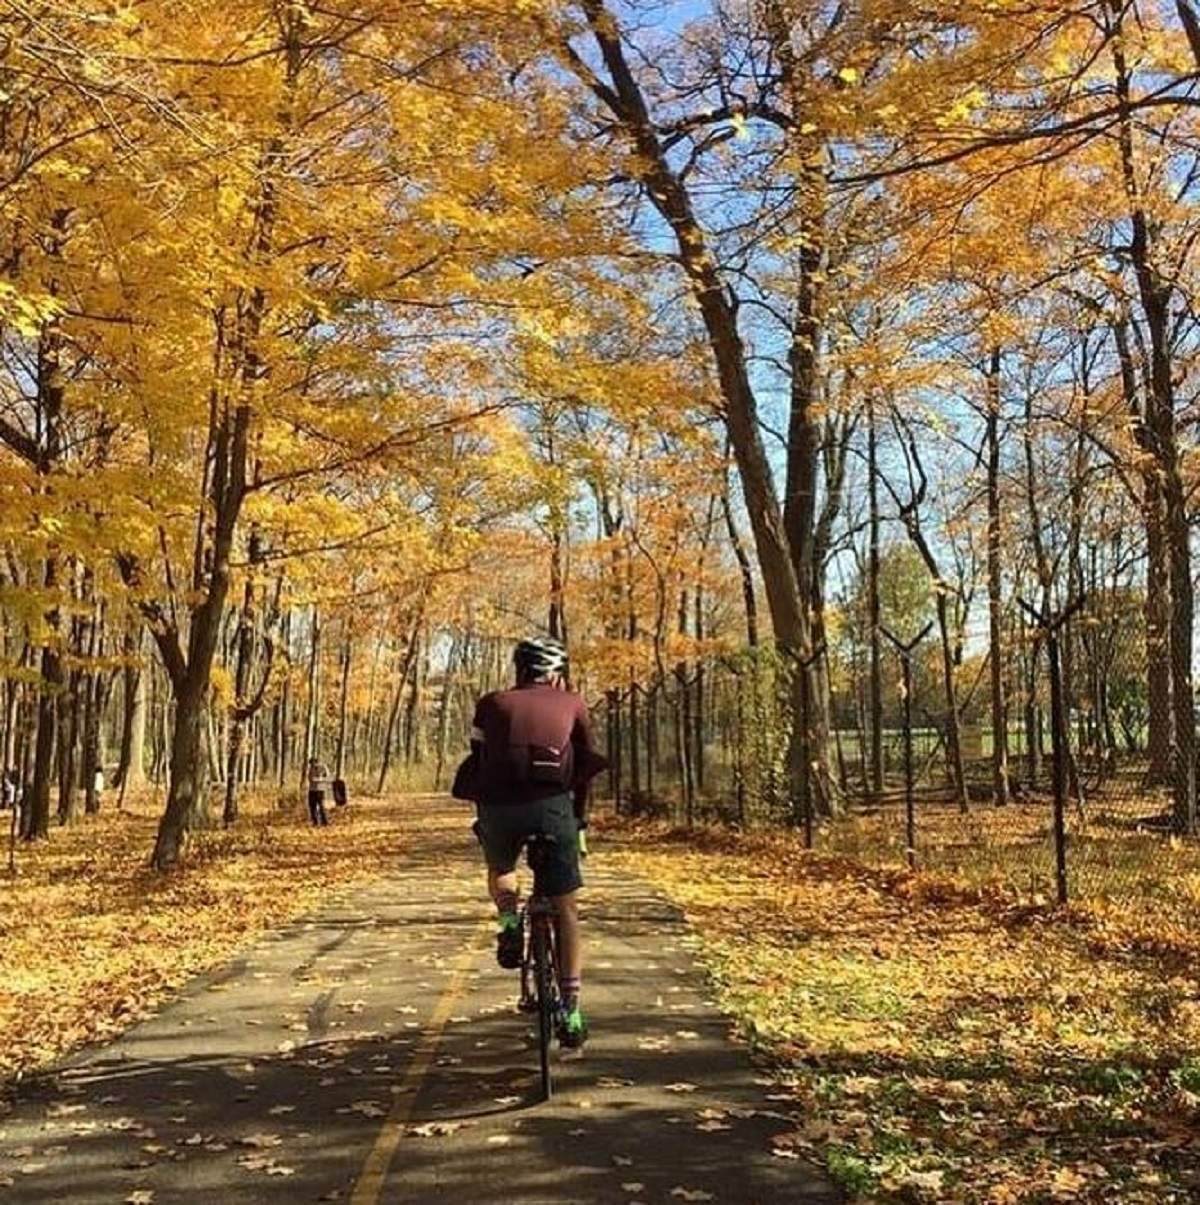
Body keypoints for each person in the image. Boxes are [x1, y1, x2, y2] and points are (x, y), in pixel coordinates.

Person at [468, 635, 605, 1051]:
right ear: (557, 675)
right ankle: (572, 1010)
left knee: (502, 869)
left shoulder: (491, 703)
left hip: (499, 808)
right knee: (565, 906)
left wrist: (485, 817)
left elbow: (478, 761)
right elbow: (583, 769)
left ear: (519, 670)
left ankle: (509, 920)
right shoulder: (575, 704)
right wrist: (578, 822)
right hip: (552, 808)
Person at [307, 756, 330, 827]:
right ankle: (315, 822)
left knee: (321, 806)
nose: (312, 765)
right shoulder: (311, 769)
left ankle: (325, 822)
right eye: (311, 764)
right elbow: (309, 778)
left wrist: (320, 779)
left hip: (320, 789)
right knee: (312, 806)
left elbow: (328, 777)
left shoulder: (323, 767)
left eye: (313, 763)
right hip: (312, 790)